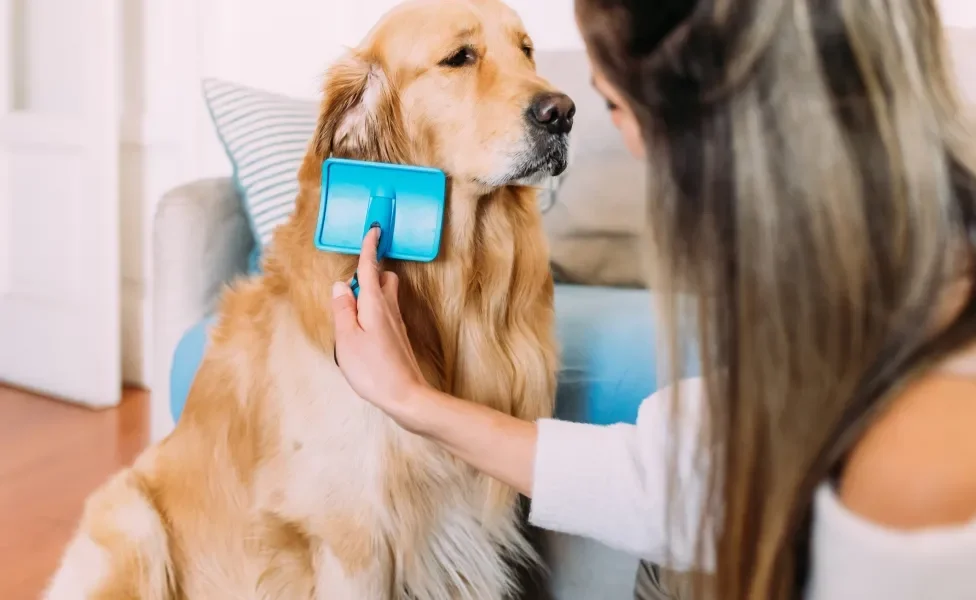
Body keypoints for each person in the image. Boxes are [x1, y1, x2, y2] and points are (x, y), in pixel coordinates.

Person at [331, 0, 976, 598]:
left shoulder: (915, 464)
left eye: (610, 105)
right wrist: (412, 400)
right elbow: (676, 479)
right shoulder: (877, 326)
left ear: (720, 131)